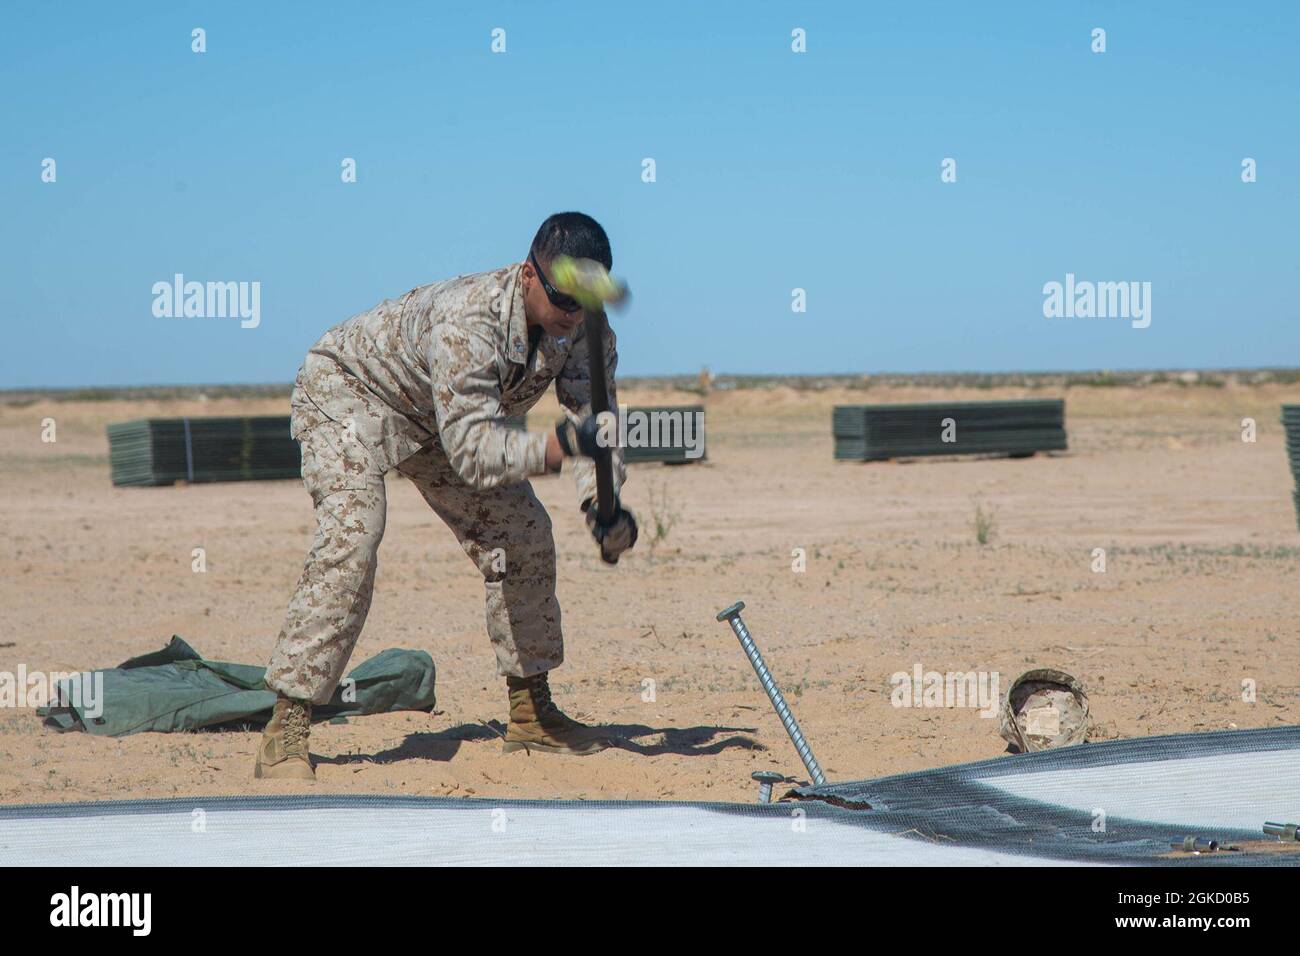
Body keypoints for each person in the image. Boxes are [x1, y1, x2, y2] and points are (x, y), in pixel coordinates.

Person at [254, 212, 638, 780]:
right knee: (354, 537)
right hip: (352, 397)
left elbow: (592, 420)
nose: (570, 316)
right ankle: (286, 726)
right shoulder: (469, 320)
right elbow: (474, 454)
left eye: (582, 303)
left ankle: (531, 714)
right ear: (529, 276)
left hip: (443, 421)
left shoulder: (585, 327)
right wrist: (554, 451)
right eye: (561, 301)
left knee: (523, 533)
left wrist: (602, 504)